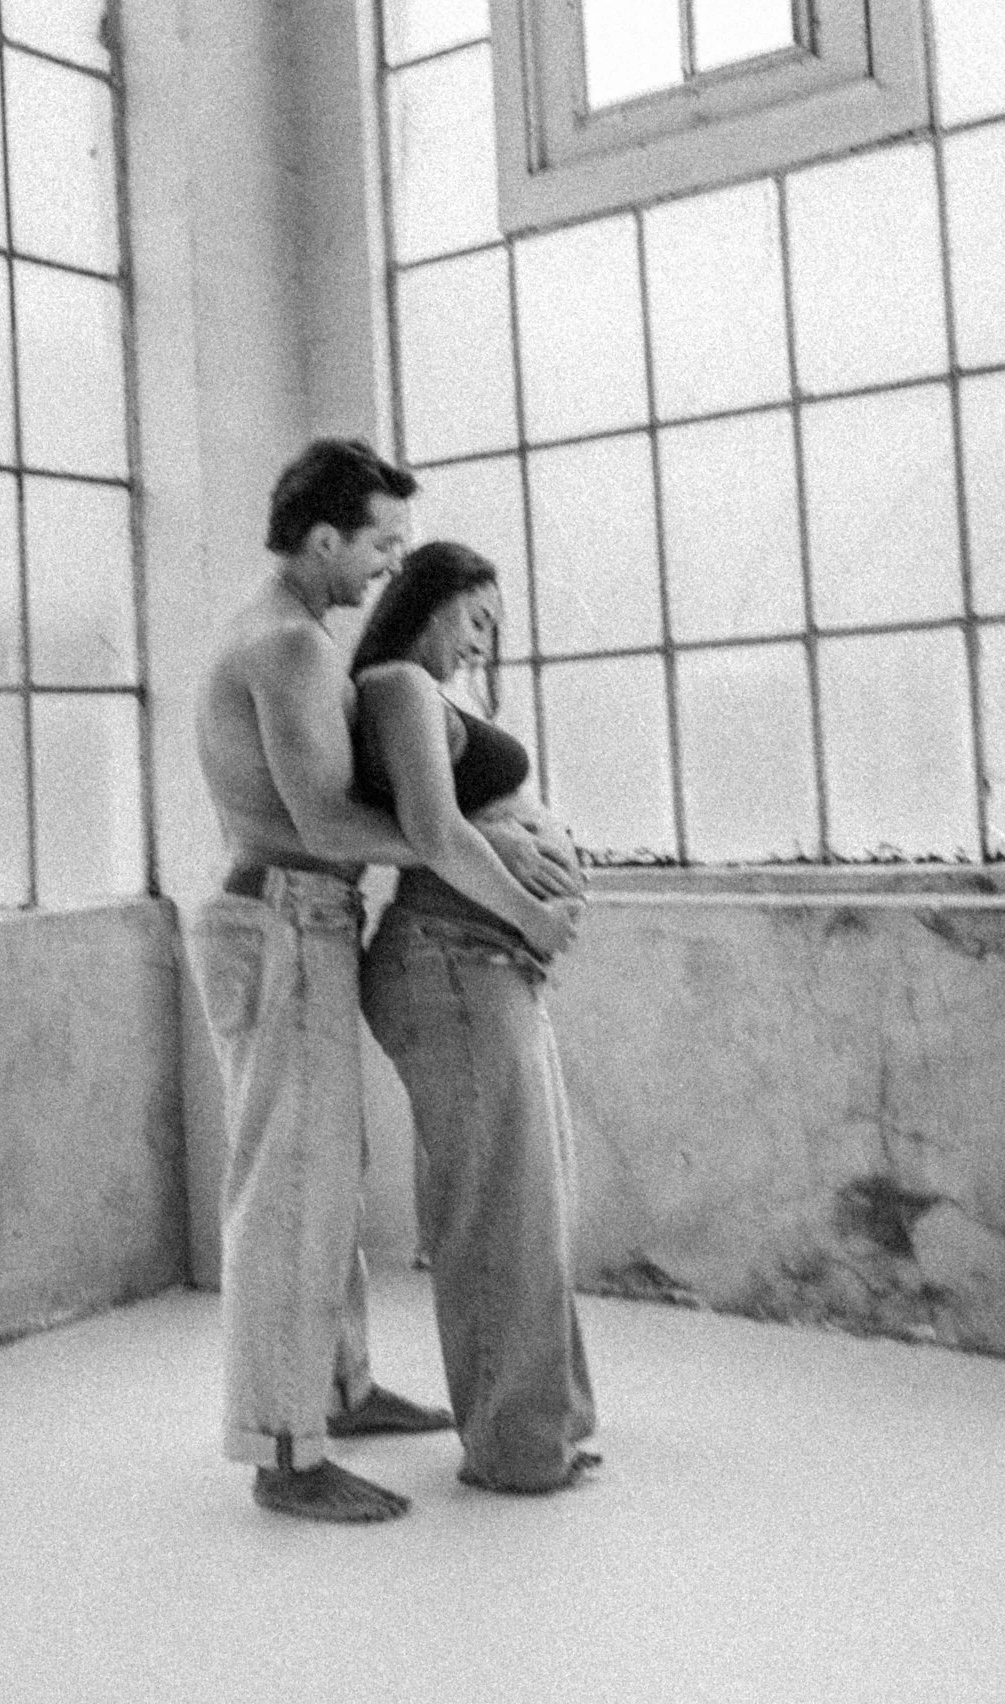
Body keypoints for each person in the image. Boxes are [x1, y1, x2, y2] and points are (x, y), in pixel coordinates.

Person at [190, 442, 582, 1523]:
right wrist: (473, 846)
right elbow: (321, 821)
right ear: (324, 539)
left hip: (302, 914)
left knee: (329, 1174)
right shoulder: (286, 647)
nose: (385, 569)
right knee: (293, 1190)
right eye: (378, 543)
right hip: (281, 909)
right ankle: (284, 1449)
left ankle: (342, 1390)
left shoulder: (299, 642)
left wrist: (471, 836)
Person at [352, 541, 599, 1495]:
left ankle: (546, 1428)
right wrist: (534, 913)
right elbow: (435, 831)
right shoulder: (399, 684)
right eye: (474, 616)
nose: (486, 639)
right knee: (496, 1207)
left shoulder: (445, 697)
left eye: (498, 622)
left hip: (487, 964)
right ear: (427, 603)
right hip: (448, 965)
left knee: (532, 1201)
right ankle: (511, 1446)